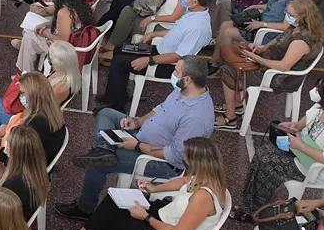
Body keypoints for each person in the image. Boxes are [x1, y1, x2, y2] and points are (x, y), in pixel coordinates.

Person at [56, 56, 215, 220]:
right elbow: (160, 109)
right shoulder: (183, 90)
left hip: (160, 162)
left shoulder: (195, 117)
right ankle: (104, 150)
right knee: (106, 113)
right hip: (141, 137)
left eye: (176, 71)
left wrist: (137, 145)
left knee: (97, 164)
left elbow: (175, 154)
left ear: (187, 79)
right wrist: (138, 122)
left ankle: (84, 209)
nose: (173, 74)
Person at [50, 137, 226, 230]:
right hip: (166, 219)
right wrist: (154, 187)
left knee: (116, 218)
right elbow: (184, 180)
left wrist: (146, 218)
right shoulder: (206, 176)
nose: (183, 161)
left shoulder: (203, 196)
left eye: (186, 159)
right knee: (114, 199)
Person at [234, 74, 324, 217]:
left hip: (319, 169)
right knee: (263, 153)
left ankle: (254, 210)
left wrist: (299, 145)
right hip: (303, 154)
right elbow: (309, 116)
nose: (316, 92)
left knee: (266, 161)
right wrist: (296, 126)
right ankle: (252, 203)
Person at [214, 0, 324, 131]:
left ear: (304, 17)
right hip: (271, 63)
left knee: (228, 71)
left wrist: (256, 57)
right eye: (287, 13)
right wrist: (262, 48)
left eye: (291, 15)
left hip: (279, 77)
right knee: (236, 59)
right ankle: (237, 104)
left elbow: (283, 66)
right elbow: (280, 38)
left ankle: (230, 117)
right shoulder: (297, 26)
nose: (287, 17)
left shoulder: (300, 42)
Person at [0, 41, 80, 129]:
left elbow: (39, 108)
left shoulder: (61, 88)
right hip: (32, 113)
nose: (49, 58)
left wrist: (25, 91)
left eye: (51, 56)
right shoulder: (62, 75)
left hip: (30, 120)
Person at [211, 0, 314, 64]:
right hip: (260, 21)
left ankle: (226, 63)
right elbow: (269, 6)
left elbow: (287, 26)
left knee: (228, 33)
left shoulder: (294, 1)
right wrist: (254, 7)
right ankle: (214, 60)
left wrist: (262, 25)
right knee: (225, 25)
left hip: (268, 32)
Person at [13, 0, 97, 73]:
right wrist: (46, 24)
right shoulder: (78, 2)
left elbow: (63, 40)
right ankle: (26, 72)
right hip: (76, 42)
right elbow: (66, 24)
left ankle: (27, 74)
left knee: (28, 35)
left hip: (65, 50)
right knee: (28, 38)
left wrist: (45, 33)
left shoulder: (64, 12)